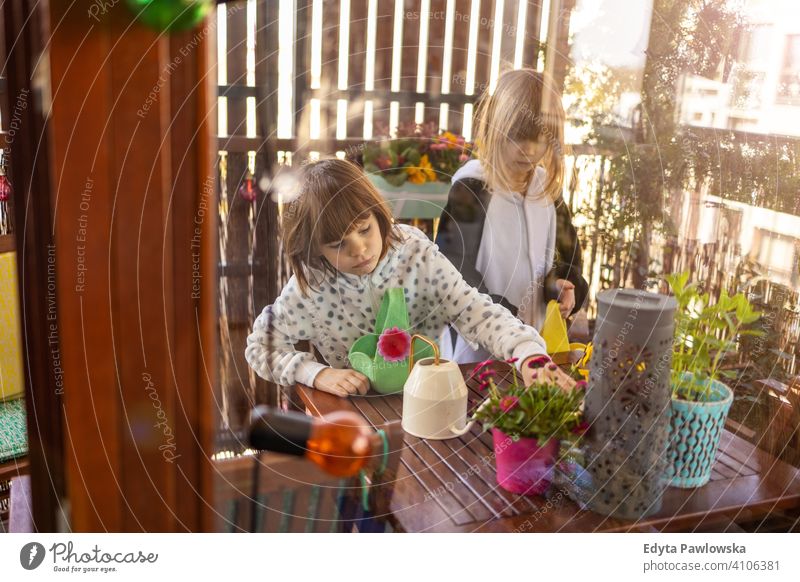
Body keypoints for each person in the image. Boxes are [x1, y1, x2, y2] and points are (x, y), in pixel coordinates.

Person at [245, 158, 575, 397]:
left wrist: (528, 353)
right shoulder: (311, 284)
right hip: (358, 417)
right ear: (315, 249)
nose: (359, 250)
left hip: (431, 402)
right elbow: (260, 346)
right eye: (338, 244)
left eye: (364, 230)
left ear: (378, 214)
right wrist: (316, 374)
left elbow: (475, 310)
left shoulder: (415, 254)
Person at [436, 68, 589, 364]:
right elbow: (453, 269)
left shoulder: (548, 192)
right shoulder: (473, 188)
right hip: (475, 351)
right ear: (496, 126)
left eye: (540, 140)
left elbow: (569, 261)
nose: (529, 150)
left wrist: (561, 286)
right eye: (518, 138)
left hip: (535, 348)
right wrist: (505, 320)